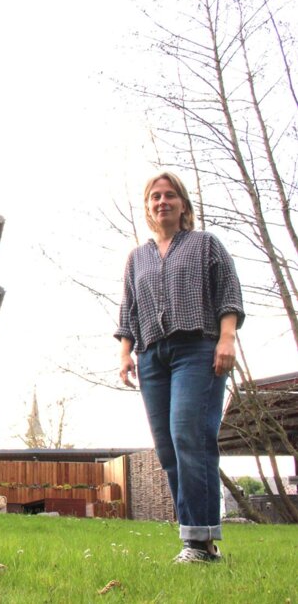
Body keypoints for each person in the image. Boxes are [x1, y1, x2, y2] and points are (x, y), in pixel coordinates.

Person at [116, 172, 244, 564]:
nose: (162, 201)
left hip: (197, 348)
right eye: (155, 196)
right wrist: (126, 353)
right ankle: (193, 538)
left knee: (189, 434)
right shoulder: (138, 257)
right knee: (169, 448)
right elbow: (129, 309)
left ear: (183, 205)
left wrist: (227, 339)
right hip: (153, 357)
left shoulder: (205, 244)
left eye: (170, 195)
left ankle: (202, 544)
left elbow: (229, 293)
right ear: (148, 207)